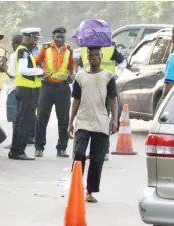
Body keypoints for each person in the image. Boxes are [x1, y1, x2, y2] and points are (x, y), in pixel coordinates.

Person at [68, 47, 118, 203]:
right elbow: (76, 100)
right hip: (83, 120)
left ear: (101, 56)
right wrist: (71, 122)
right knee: (79, 154)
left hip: (101, 121)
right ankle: (76, 187)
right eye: (91, 55)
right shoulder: (80, 76)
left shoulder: (108, 76)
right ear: (87, 57)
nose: (94, 57)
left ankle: (90, 191)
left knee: (97, 159)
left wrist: (114, 119)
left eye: (97, 55)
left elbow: (113, 100)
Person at [78, 44, 126, 161]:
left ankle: (104, 151)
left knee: (103, 120)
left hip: (105, 88)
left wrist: (116, 74)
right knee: (88, 120)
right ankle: (93, 150)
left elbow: (123, 62)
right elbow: (80, 66)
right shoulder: (84, 49)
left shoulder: (110, 48)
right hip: (88, 87)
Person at [33, 27, 75, 158]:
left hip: (63, 88)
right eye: (57, 37)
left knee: (63, 119)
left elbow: (72, 66)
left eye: (62, 37)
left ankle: (62, 148)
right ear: (53, 37)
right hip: (47, 86)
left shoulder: (68, 49)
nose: (60, 39)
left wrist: (72, 75)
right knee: (41, 118)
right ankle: (39, 148)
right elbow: (35, 63)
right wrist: (41, 73)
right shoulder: (45, 48)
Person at [8, 27, 50, 160]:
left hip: (26, 89)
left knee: (21, 121)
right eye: (35, 39)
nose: (36, 42)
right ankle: (19, 151)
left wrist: (39, 74)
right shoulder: (24, 51)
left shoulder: (24, 51)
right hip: (27, 90)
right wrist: (40, 72)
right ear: (29, 37)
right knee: (25, 122)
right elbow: (23, 70)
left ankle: (15, 150)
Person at [3, 34, 23, 149]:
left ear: (16, 43)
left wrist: (4, 65)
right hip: (23, 89)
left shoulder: (14, 55)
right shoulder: (26, 54)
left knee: (14, 118)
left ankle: (15, 142)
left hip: (13, 89)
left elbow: (11, 74)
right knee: (20, 117)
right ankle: (20, 141)